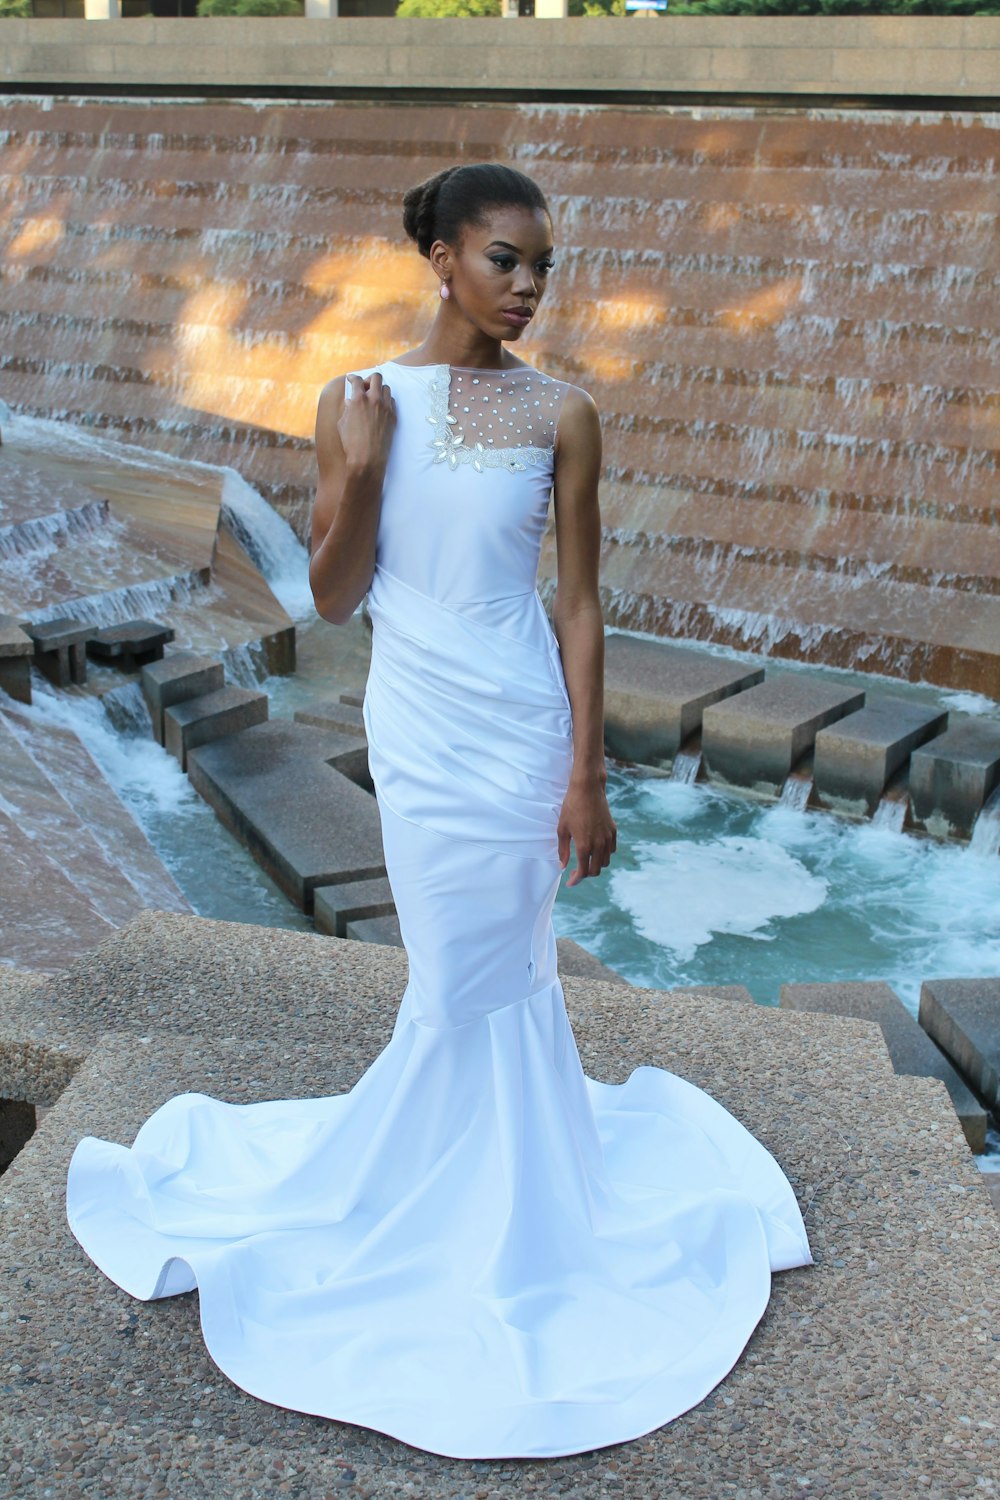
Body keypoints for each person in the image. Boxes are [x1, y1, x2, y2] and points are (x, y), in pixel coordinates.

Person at [66, 162, 812, 1463]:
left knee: (498, 971)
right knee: (455, 976)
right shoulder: (360, 401)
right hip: (417, 726)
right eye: (502, 259)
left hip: (521, 726)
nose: (526, 287)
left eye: (541, 267)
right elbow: (338, 594)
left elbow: (578, 604)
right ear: (438, 256)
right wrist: (354, 471)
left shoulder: (565, 415)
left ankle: (501, 1217)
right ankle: (454, 1206)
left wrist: (587, 771)